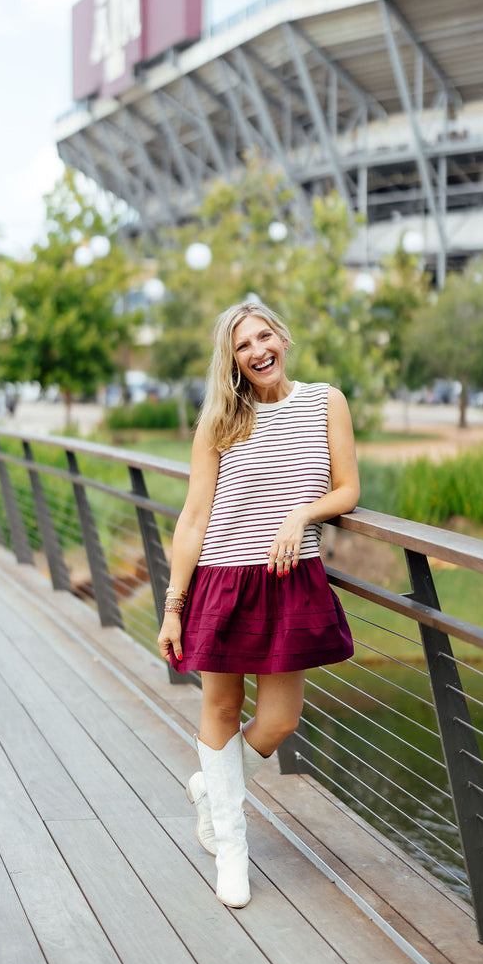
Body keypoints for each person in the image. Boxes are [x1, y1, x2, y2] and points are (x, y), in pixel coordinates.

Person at [157, 301, 360, 908]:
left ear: (283, 337)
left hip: (288, 579)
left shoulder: (326, 401)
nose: (257, 351)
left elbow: (347, 488)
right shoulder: (219, 420)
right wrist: (173, 605)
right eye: (243, 346)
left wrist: (303, 512)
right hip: (222, 577)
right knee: (220, 710)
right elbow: (194, 518)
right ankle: (232, 850)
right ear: (233, 360)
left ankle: (212, 787)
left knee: (279, 722)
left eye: (263, 336)